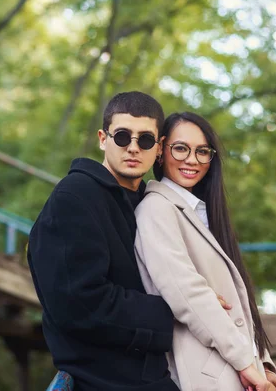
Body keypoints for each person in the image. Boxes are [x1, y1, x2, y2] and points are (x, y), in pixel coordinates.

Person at [27, 92, 181, 391]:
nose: (133, 148)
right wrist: (178, 314)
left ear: (159, 147)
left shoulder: (150, 203)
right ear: (103, 139)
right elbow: (80, 304)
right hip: (99, 380)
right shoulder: (74, 196)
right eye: (122, 137)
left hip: (154, 372)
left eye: (145, 140)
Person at [134, 112, 276, 391]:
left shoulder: (203, 213)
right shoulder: (156, 209)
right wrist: (246, 363)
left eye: (202, 151)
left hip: (237, 367)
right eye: (180, 148)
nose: (192, 160)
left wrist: (262, 365)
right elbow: (187, 293)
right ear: (160, 150)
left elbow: (237, 300)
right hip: (207, 370)